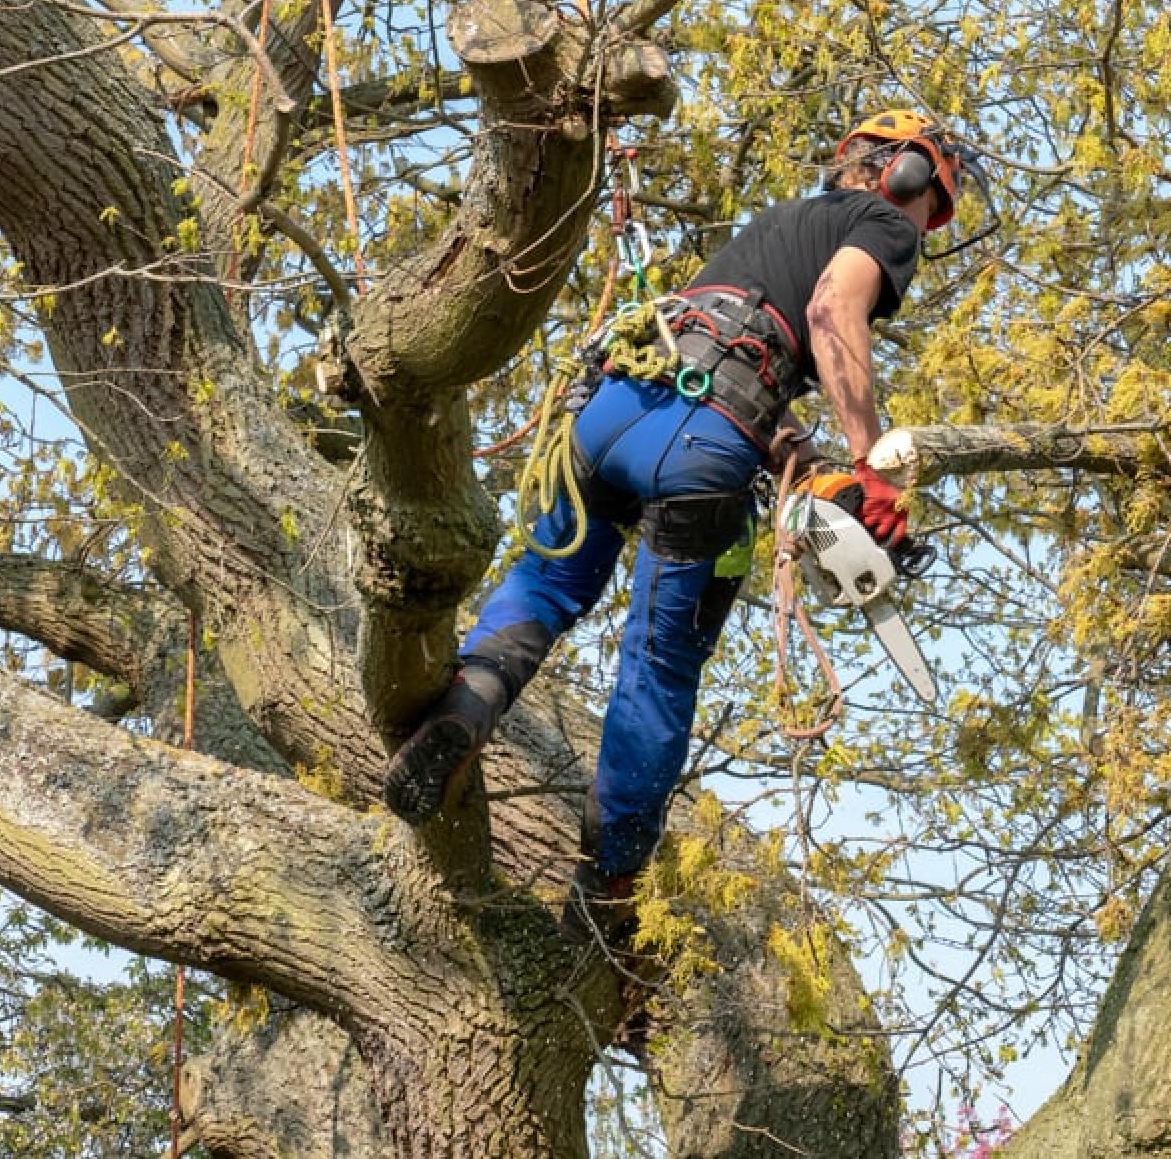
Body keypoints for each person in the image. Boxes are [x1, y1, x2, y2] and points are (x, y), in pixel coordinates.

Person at [383, 109, 963, 941]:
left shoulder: (775, 225)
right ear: (904, 177)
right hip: (699, 447)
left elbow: (737, 347)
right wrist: (867, 466)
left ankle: (461, 712)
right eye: (929, 206)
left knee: (544, 579)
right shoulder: (877, 223)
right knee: (660, 659)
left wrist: (786, 444)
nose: (922, 231)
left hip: (610, 414)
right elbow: (835, 313)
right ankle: (610, 881)